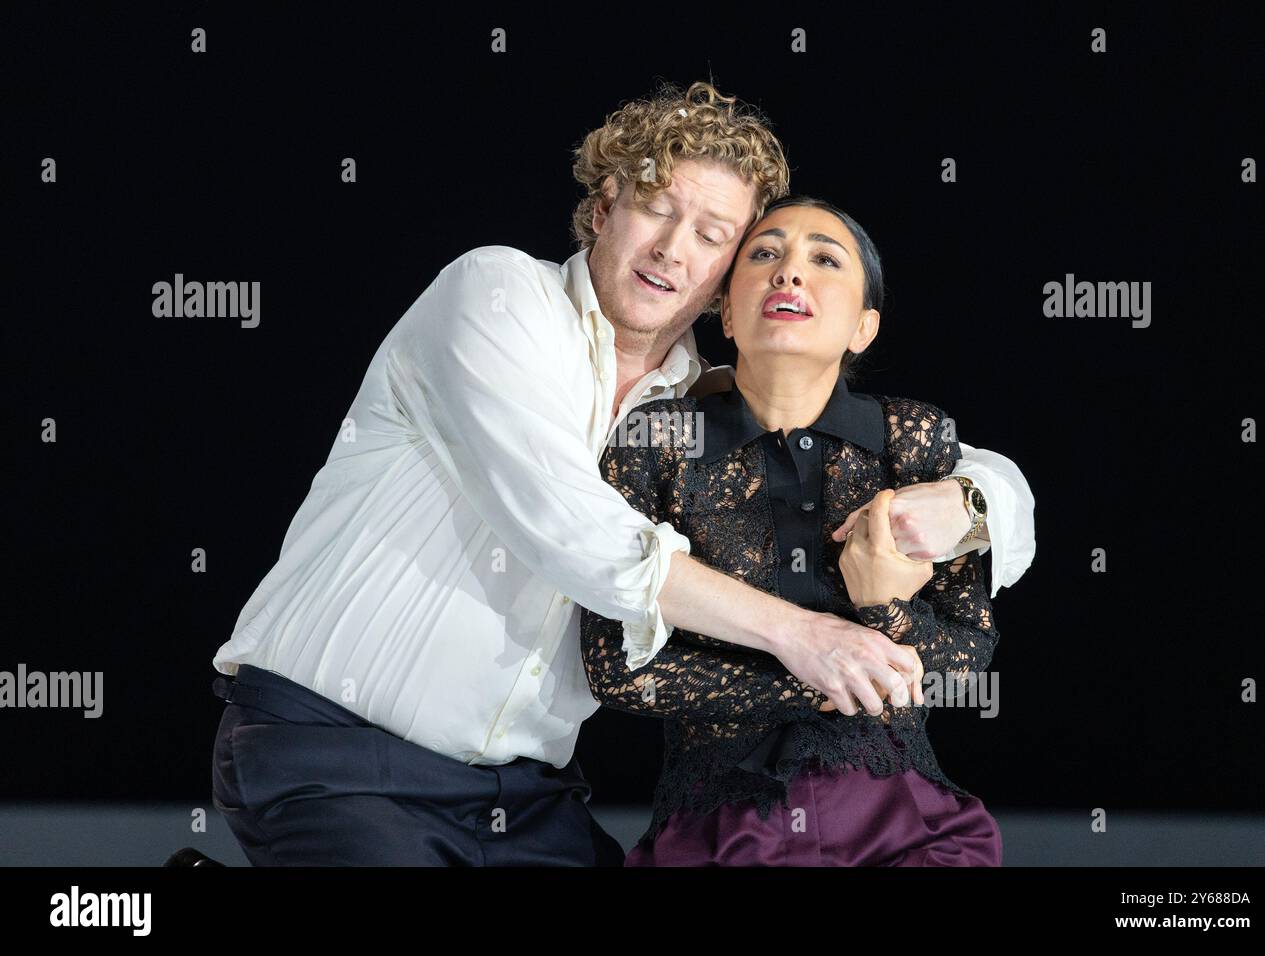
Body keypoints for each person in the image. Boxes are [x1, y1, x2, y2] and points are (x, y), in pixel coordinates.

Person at [209, 80, 1034, 866]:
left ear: (724, 280)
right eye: (654, 209)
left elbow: (954, 465)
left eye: (713, 235)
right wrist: (800, 635)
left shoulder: (695, 407)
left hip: (524, 799)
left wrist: (969, 498)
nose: (674, 249)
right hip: (336, 750)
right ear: (603, 210)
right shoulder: (497, 295)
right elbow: (571, 524)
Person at [580, 195, 1008, 866]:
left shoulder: (916, 437)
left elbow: (970, 652)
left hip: (906, 824)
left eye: (823, 259)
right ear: (725, 309)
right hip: (716, 828)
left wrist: (885, 608)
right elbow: (617, 667)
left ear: (863, 326)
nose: (789, 274)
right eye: (764, 254)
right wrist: (824, 673)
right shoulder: (654, 439)